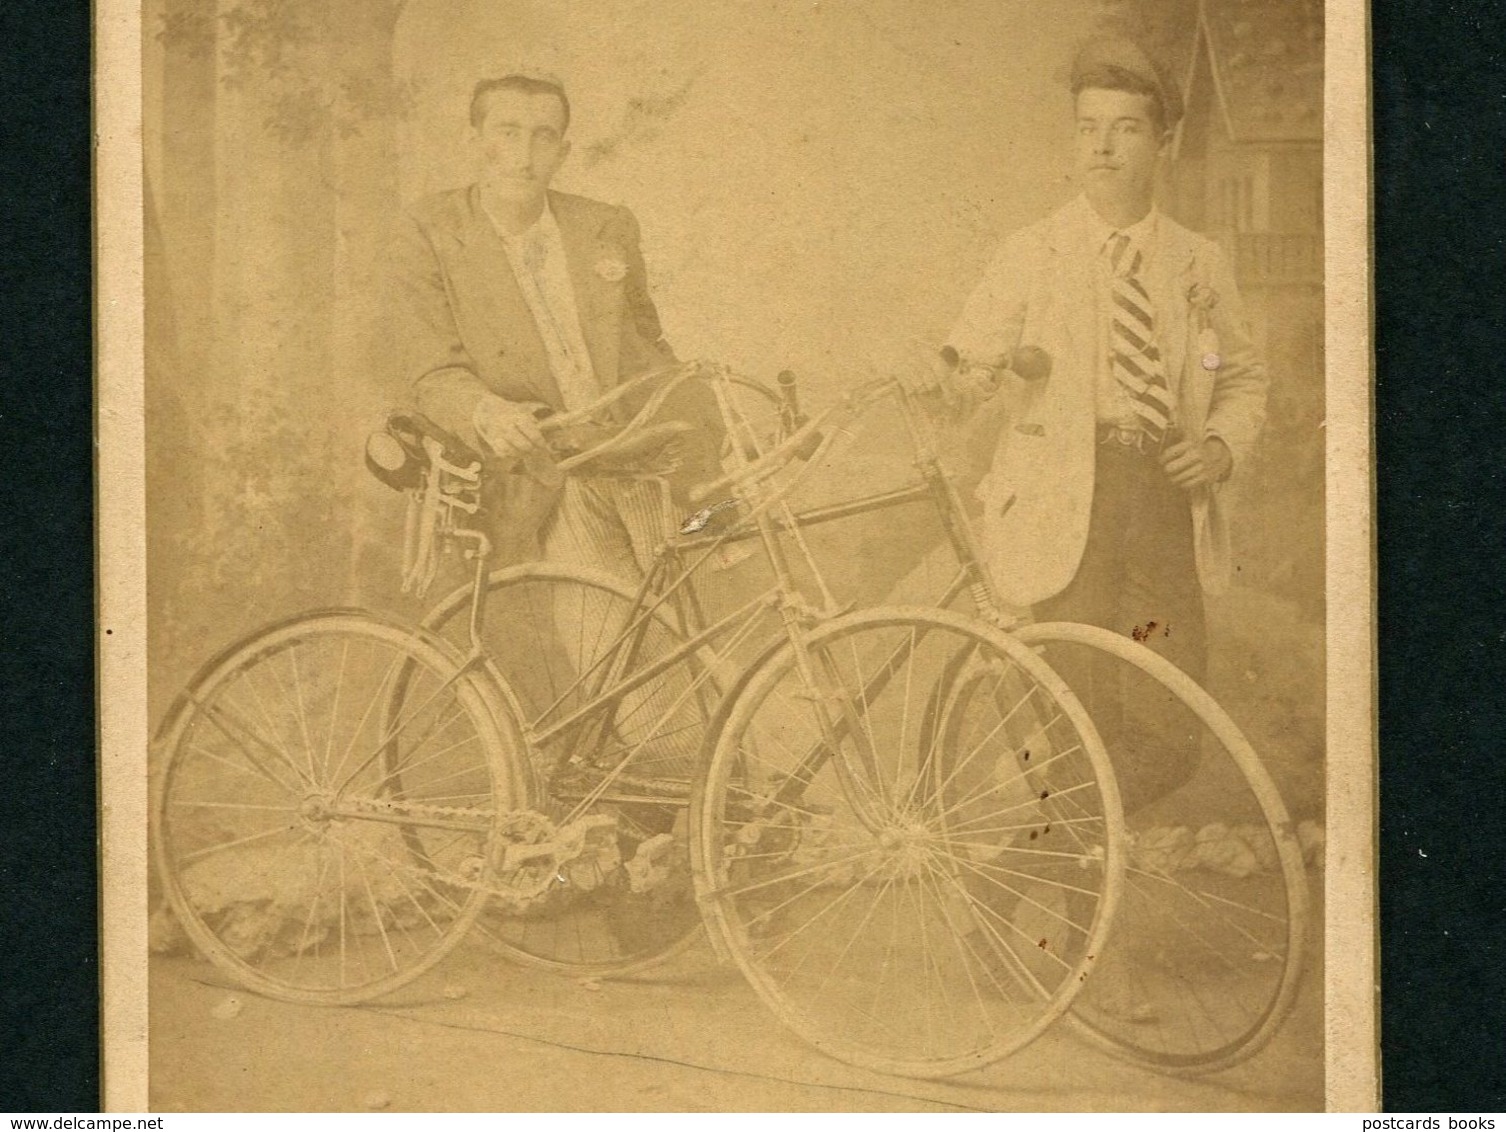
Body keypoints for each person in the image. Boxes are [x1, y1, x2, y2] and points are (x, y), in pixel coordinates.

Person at [946, 38, 1269, 815]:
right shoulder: (1033, 252)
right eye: (1089, 126)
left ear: (1163, 143)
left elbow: (1244, 376)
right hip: (1063, 501)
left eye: (1125, 127)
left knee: (1168, 725)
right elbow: (964, 368)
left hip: (1158, 499)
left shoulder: (1198, 261)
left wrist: (1220, 448)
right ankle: (1072, 879)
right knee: (1073, 714)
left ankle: (1036, 843)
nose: (1102, 144)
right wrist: (976, 374)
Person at [387, 72, 722, 572]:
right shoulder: (428, 231)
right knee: (603, 641)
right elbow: (431, 371)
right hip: (546, 474)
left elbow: (646, 340)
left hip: (642, 457)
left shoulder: (605, 226)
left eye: (543, 136)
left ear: (563, 151)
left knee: (680, 628)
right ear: (474, 142)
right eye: (507, 132)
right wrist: (486, 411)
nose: (524, 156)